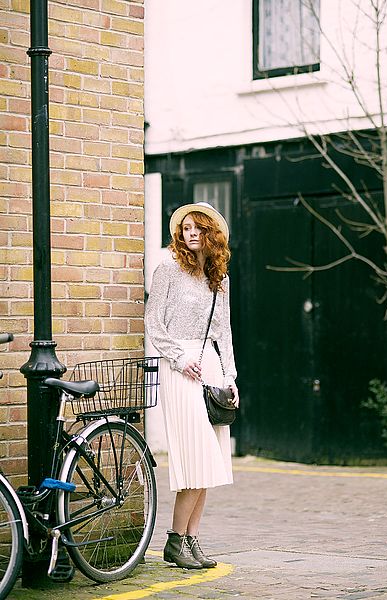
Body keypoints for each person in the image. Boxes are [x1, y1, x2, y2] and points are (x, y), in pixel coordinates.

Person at [145, 202, 239, 570]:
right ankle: (174, 540)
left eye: (198, 227)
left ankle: (189, 540)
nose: (191, 233)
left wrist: (230, 376)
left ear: (212, 232)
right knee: (195, 458)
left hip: (211, 364)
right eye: (185, 228)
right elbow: (153, 323)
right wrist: (179, 358)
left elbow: (225, 332)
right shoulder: (168, 267)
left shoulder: (220, 277)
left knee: (210, 462)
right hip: (178, 365)